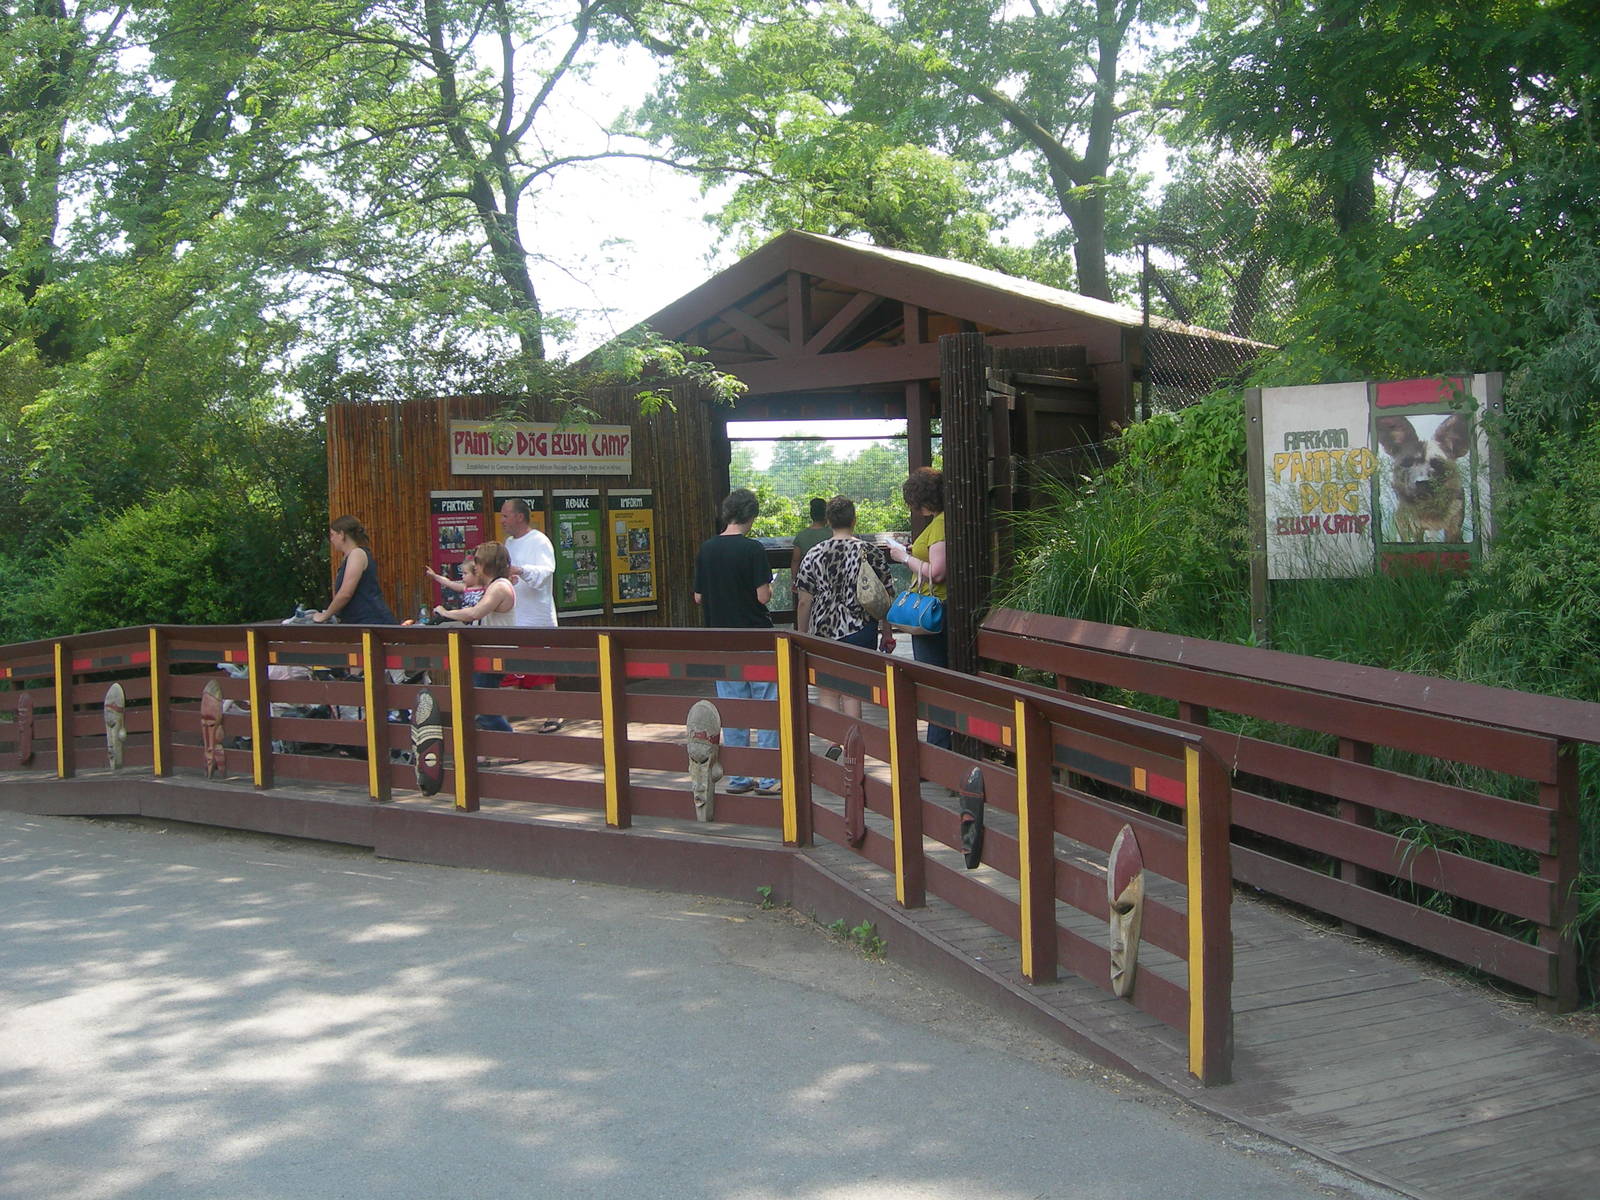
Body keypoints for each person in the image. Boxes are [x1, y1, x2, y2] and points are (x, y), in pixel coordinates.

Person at [794, 496, 896, 757]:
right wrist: (886, 631)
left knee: (827, 689)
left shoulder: (814, 553)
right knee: (854, 692)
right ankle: (853, 745)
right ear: (854, 519)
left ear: (828, 521)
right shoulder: (869, 551)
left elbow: (805, 600)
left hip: (824, 628)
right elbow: (885, 595)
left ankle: (832, 743)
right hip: (862, 627)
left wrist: (802, 635)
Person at [693, 488, 779, 796]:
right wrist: (769, 586)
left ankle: (740, 776)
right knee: (766, 706)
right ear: (751, 516)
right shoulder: (752, 549)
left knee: (733, 708)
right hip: (755, 639)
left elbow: (698, 596)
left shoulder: (707, 549)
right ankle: (769, 777)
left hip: (721, 642)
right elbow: (762, 595)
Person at [887, 467, 950, 749]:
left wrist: (903, 557)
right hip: (938, 607)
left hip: (933, 611)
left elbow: (937, 573)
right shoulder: (941, 521)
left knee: (931, 682)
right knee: (936, 681)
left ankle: (937, 751)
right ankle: (938, 748)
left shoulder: (939, 524)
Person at [432, 541, 517, 733]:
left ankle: (512, 746)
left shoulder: (499, 587)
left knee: (483, 708)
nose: (475, 566)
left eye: (477, 561)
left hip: (495, 654)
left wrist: (446, 613)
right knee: (483, 704)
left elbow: (474, 613)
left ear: (486, 564)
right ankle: (490, 751)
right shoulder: (494, 586)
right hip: (488, 653)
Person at [498, 498, 562, 734]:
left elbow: (547, 572)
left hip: (537, 617)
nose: (502, 520)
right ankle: (500, 720)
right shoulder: (509, 543)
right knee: (511, 670)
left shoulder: (539, 541)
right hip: (515, 616)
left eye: (505, 515)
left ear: (519, 517)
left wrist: (522, 570)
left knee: (543, 673)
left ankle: (553, 715)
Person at [313, 515, 397, 625]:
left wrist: (325, 615)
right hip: (359, 623)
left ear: (342, 534)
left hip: (372, 623)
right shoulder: (349, 557)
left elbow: (346, 593)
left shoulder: (357, 554)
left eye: (333, 535)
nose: (331, 539)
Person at [789, 497, 829, 580]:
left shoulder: (801, 536)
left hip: (807, 581)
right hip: (828, 580)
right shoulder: (833, 535)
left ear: (811, 515)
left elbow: (795, 561)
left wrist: (794, 581)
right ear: (826, 515)